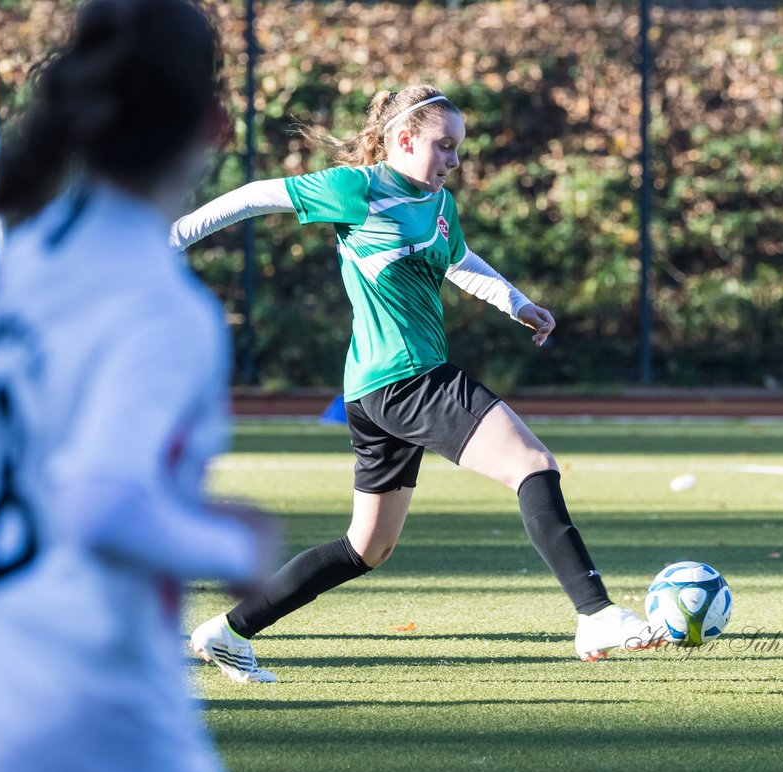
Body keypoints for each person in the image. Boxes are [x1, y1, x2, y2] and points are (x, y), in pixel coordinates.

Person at [0, 1, 272, 772]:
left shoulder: (17, 274)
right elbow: (101, 507)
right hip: (98, 762)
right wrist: (234, 547)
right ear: (213, 123)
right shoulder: (163, 303)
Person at [175, 84, 658, 685]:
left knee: (366, 548)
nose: (454, 160)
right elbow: (252, 196)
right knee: (532, 463)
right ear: (403, 141)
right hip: (408, 379)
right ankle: (596, 613)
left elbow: (458, 261)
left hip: (373, 392)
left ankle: (226, 633)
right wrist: (171, 239)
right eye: (444, 146)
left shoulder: (438, 204)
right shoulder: (357, 189)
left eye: (457, 148)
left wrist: (516, 302)